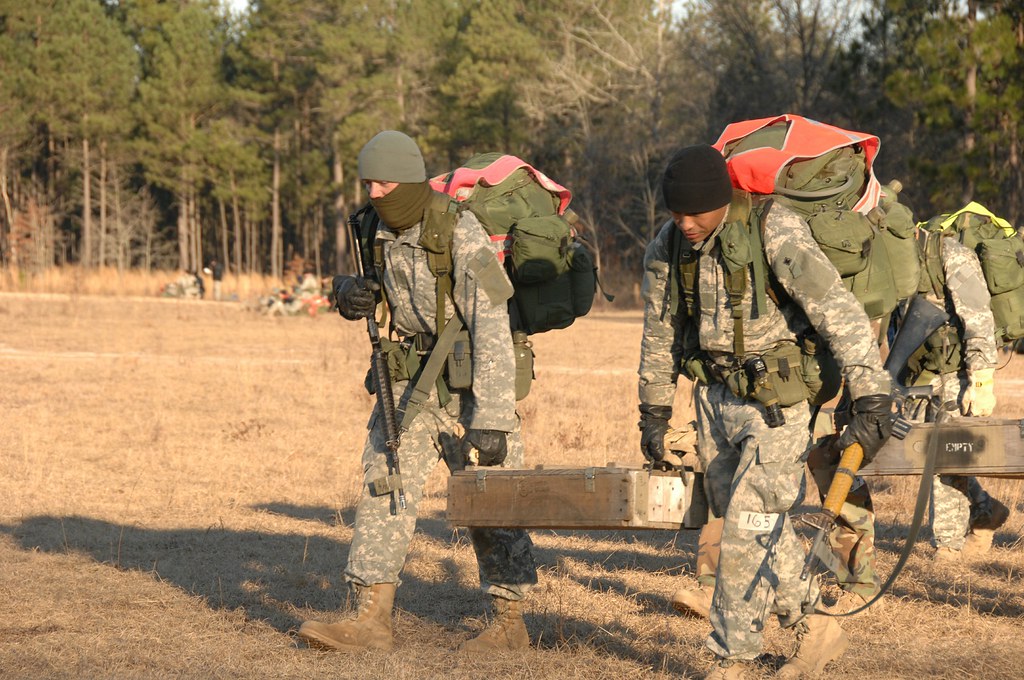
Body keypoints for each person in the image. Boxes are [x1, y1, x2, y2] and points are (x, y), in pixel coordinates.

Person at [638, 144, 893, 679]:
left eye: (695, 213)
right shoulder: (668, 247)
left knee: (746, 528)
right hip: (714, 403)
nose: (685, 224)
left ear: (721, 200)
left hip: (777, 404)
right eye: (675, 213)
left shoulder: (772, 228)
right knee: (754, 525)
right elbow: (659, 332)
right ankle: (816, 627)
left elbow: (836, 309)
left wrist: (870, 392)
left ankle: (732, 657)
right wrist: (654, 410)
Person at [297, 131, 537, 654]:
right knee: (386, 480)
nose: (376, 193)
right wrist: (346, 292)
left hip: (472, 383)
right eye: (368, 184)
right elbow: (370, 284)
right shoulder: (372, 228)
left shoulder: (461, 230)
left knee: (491, 502)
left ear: (408, 181)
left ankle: (509, 624)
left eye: (384, 183)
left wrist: (493, 419)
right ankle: (369, 620)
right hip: (409, 381)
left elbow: (492, 321)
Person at [906, 223, 1009, 560]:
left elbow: (978, 318)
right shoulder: (888, 257)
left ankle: (947, 547)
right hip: (918, 372)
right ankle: (984, 508)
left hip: (955, 372)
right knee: (924, 455)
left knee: (946, 455)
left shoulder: (952, 255)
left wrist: (981, 380)